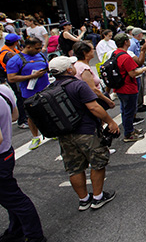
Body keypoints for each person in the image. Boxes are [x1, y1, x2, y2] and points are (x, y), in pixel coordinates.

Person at [48, 56, 118, 211]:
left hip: (65, 134)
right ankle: (98, 197)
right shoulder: (78, 85)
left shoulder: (51, 88)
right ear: (68, 70)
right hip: (86, 132)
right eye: (71, 65)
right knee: (97, 162)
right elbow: (94, 107)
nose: (74, 66)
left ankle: (84, 199)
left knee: (74, 167)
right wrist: (110, 121)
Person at [0, 84, 46, 242]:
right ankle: (17, 229)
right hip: (7, 152)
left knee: (14, 199)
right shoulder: (4, 89)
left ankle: (34, 236)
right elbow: (14, 116)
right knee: (8, 197)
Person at [6, 37, 48, 150]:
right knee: (31, 116)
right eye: (37, 48)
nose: (39, 50)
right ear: (28, 47)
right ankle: (35, 137)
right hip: (29, 93)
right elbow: (11, 78)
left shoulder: (40, 55)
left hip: (46, 90)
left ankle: (51, 132)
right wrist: (32, 76)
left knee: (48, 111)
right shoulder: (15, 60)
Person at [112, 33, 146, 142]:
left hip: (120, 87)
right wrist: (143, 69)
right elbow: (132, 73)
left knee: (125, 110)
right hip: (128, 88)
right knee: (129, 111)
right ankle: (128, 134)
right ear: (125, 42)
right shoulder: (125, 56)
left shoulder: (115, 53)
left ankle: (130, 129)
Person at [73, 42, 115, 111]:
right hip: (93, 100)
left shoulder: (80, 65)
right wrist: (108, 101)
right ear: (85, 53)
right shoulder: (83, 68)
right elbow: (93, 89)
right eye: (92, 49)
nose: (93, 51)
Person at [0, 34, 28, 129]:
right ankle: (22, 120)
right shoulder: (7, 53)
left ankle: (24, 118)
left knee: (21, 97)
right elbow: (16, 64)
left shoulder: (11, 50)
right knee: (20, 97)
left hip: (14, 76)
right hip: (13, 77)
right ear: (16, 42)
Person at [128, 27, 146, 113]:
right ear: (138, 34)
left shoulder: (136, 43)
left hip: (139, 67)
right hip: (137, 68)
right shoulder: (132, 44)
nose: (143, 35)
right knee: (138, 88)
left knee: (141, 88)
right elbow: (131, 56)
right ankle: (138, 106)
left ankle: (140, 104)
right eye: (142, 34)